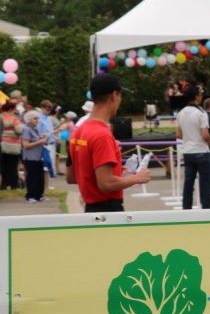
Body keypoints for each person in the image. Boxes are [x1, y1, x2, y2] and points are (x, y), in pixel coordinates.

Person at [67, 73, 151, 212]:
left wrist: (117, 174)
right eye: (120, 96)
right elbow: (106, 184)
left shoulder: (77, 131)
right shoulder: (102, 135)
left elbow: (71, 177)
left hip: (90, 209)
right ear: (114, 95)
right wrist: (137, 178)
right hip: (108, 210)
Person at [176, 84, 210, 210]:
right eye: (201, 94)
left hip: (188, 151)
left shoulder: (180, 113)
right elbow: (205, 134)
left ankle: (186, 208)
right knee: (205, 183)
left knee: (188, 182)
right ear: (197, 96)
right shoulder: (201, 113)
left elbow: (178, 134)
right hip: (202, 150)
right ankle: (206, 208)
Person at [20, 110, 47, 203]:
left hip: (38, 157)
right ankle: (30, 195)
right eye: (35, 118)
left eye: (38, 118)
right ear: (29, 119)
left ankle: (39, 195)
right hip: (30, 157)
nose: (37, 120)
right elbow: (25, 145)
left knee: (39, 176)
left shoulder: (35, 129)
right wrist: (40, 142)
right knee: (32, 177)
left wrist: (42, 140)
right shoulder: (26, 129)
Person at [1, 100, 23, 189]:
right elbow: (19, 130)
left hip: (2, 145)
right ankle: (14, 185)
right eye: (14, 109)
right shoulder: (14, 119)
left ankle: (3, 185)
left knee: (3, 166)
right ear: (11, 109)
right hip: (13, 145)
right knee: (13, 166)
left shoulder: (0, 118)